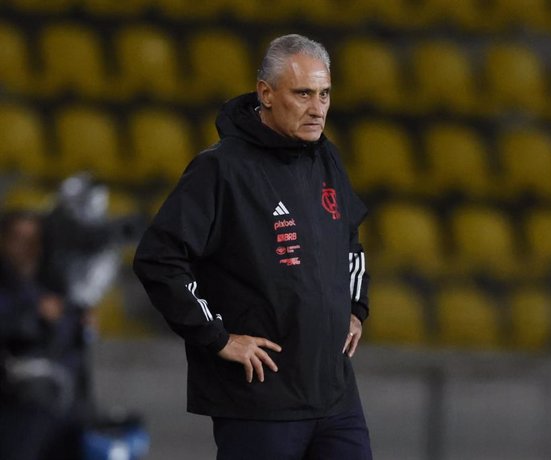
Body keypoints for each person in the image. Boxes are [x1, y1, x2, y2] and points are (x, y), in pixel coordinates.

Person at [133, 34, 373, 459]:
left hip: (335, 394)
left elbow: (349, 239)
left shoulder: (327, 158)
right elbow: (160, 260)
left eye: (324, 94)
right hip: (260, 401)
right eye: (303, 94)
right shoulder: (220, 169)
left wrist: (355, 307)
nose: (317, 108)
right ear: (265, 93)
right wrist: (219, 338)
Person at [0, 210, 86, 460]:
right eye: (19, 238)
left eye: (34, 239)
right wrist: (33, 315)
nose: (28, 247)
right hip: (14, 404)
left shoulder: (54, 283)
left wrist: (76, 323)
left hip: (62, 407)